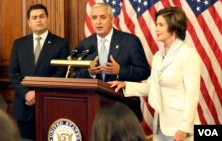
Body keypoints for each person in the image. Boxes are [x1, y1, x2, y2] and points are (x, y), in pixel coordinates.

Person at [108, 7, 201, 141]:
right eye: (156, 24)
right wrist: (125, 85)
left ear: (174, 27)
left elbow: (192, 95)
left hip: (181, 127)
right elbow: (151, 86)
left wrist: (184, 127)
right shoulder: (158, 55)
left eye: (161, 25)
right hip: (160, 126)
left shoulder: (188, 54)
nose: (156, 29)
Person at [73, 2, 150, 122]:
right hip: (94, 108)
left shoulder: (130, 41)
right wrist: (89, 72)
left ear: (112, 19)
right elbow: (74, 76)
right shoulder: (85, 44)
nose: (98, 22)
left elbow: (144, 72)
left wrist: (121, 71)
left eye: (102, 17)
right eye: (94, 18)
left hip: (124, 107)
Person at [8, 3, 70, 140]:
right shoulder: (19, 44)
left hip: (49, 105)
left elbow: (61, 73)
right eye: (34, 17)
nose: (39, 20)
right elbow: (13, 73)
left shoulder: (61, 43)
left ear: (47, 19)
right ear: (29, 22)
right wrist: (26, 94)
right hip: (24, 106)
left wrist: (39, 94)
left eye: (42, 16)